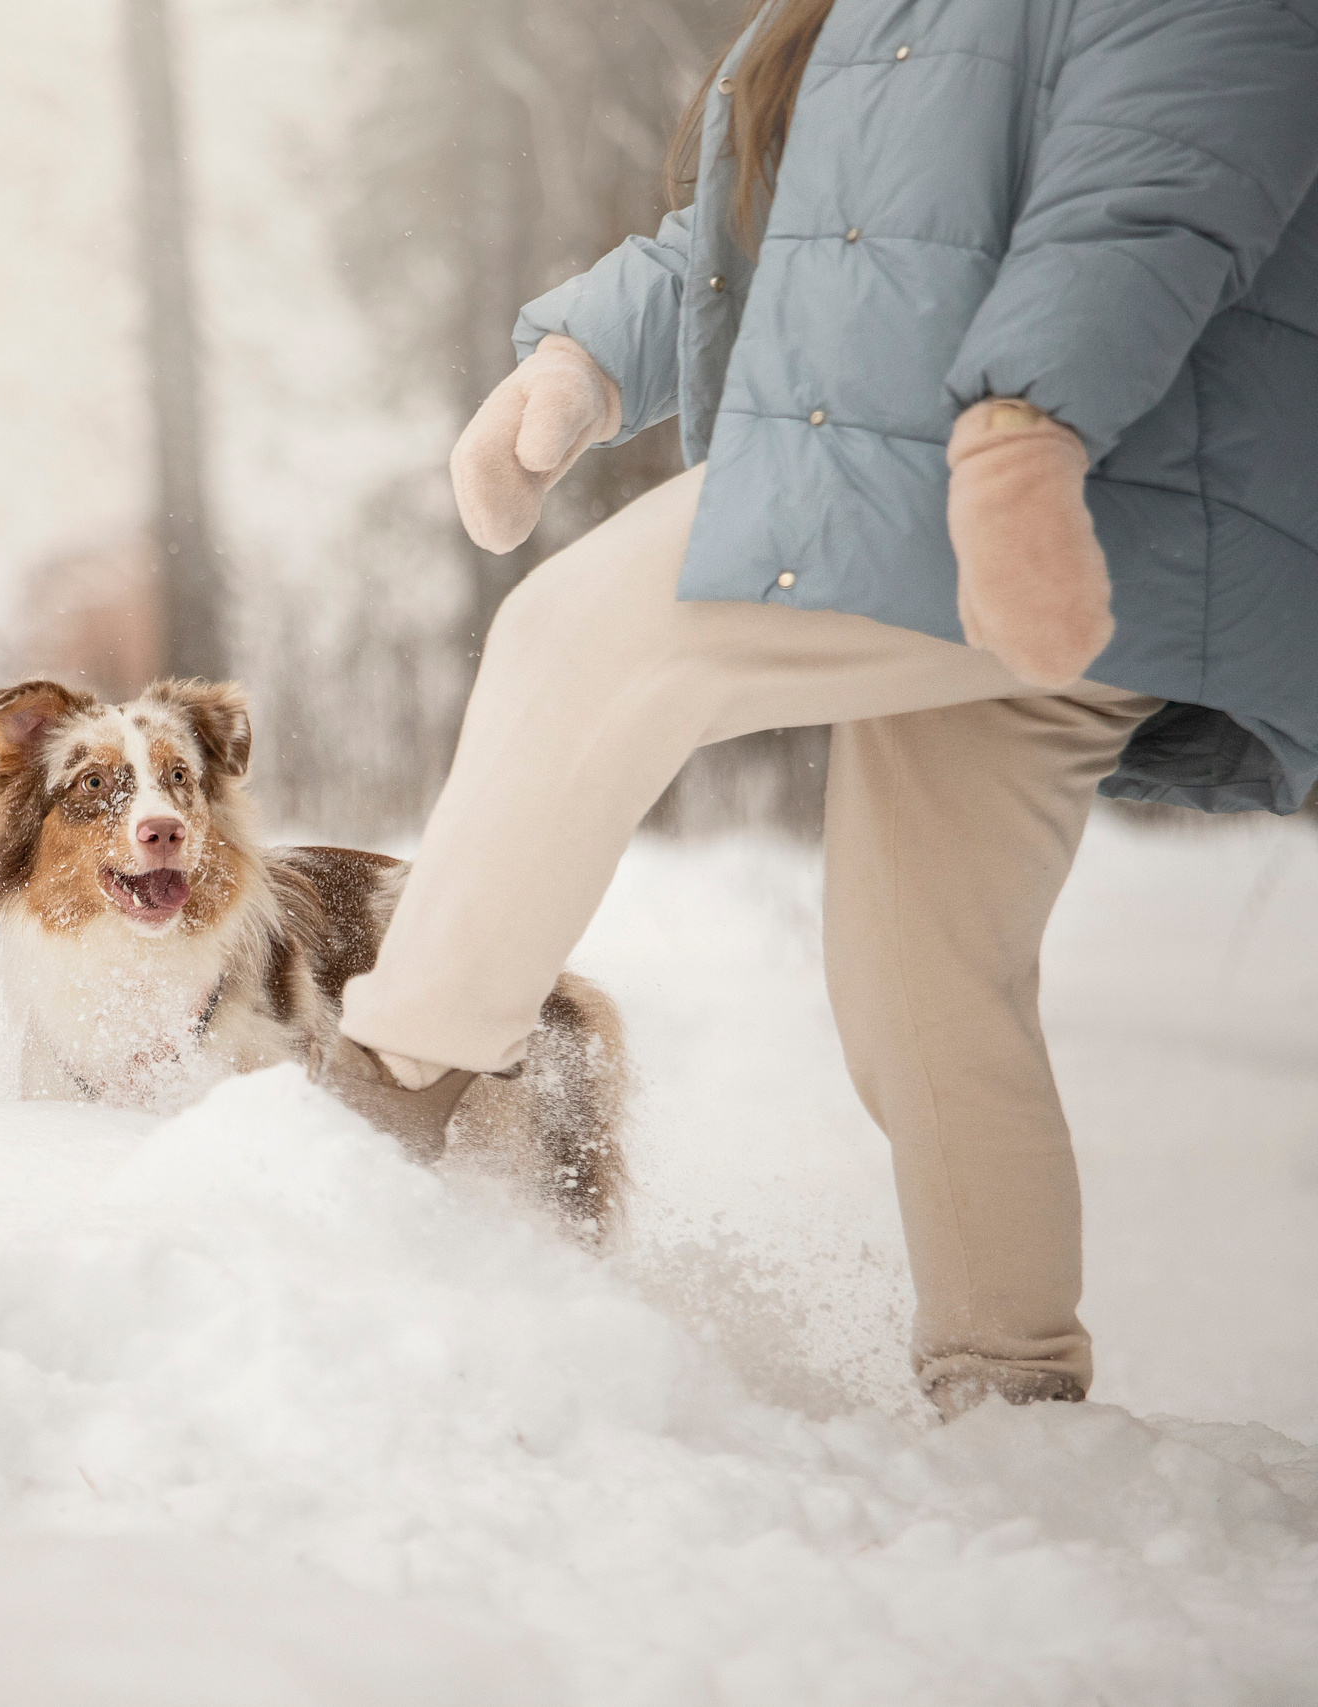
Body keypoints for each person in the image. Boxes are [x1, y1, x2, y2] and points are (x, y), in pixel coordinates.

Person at [315, 0, 1318, 1419]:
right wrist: (585, 359)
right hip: (984, 511)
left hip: (1064, 488)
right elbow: (790, 251)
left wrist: (1029, 428)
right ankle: (1011, 1388)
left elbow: (1152, 197)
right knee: (922, 977)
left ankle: (381, 1098)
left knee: (582, 636)